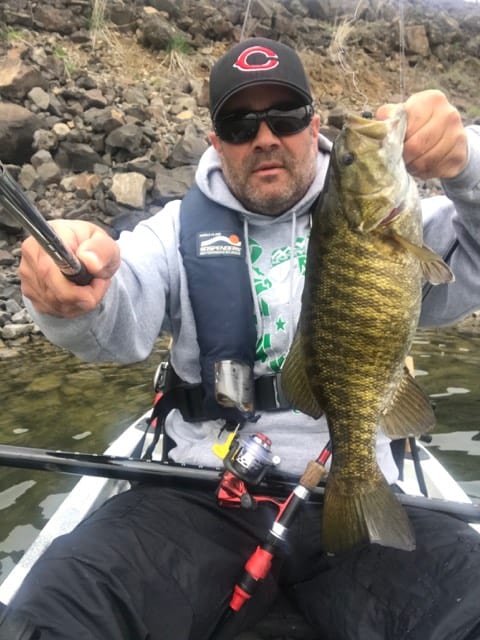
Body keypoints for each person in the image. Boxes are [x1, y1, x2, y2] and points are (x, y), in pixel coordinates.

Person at [7, 36, 480, 639]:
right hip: (198, 496)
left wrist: (465, 160)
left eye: (284, 116)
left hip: (352, 486)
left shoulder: (397, 223)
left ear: (313, 128)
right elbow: (115, 329)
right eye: (239, 123)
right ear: (215, 141)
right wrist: (71, 295)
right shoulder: (175, 231)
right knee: (59, 606)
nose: (264, 137)